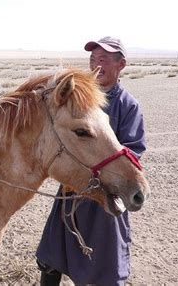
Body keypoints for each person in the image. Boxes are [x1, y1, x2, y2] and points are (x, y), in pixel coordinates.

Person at [36, 36, 146, 286]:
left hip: (105, 197)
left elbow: (133, 151)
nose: (96, 65)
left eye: (104, 59)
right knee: (53, 258)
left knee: (102, 268)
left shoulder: (128, 106)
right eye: (93, 59)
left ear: (121, 65)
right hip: (71, 192)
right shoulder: (81, 101)